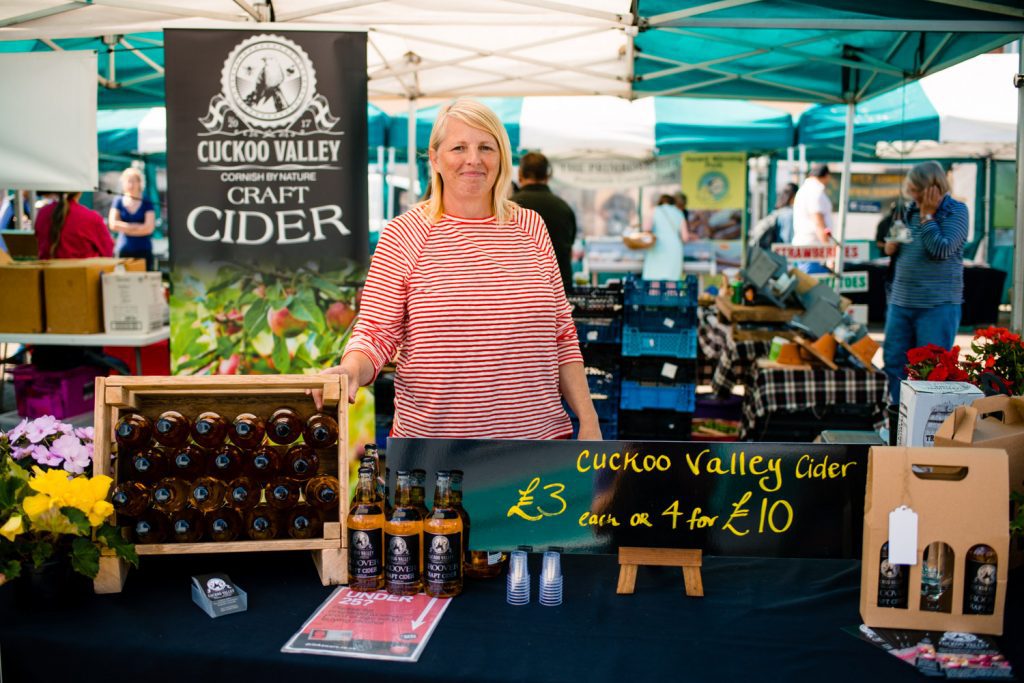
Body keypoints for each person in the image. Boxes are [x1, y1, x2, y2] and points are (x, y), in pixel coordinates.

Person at [314, 98, 600, 441]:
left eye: (486, 147)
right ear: (434, 158)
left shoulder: (530, 227)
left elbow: (562, 335)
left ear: (502, 158)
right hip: (434, 457)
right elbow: (376, 333)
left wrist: (588, 418)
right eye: (458, 147)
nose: (473, 159)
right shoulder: (404, 234)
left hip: (537, 448)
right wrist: (349, 370)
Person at [882, 161, 968, 405]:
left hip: (937, 306)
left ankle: (922, 427)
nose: (914, 196)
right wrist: (891, 245)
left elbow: (941, 249)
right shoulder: (909, 210)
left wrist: (928, 217)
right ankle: (896, 419)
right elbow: (896, 245)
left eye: (917, 191)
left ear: (932, 188)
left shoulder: (956, 211)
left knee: (931, 369)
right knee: (894, 363)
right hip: (901, 302)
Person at [511, 151, 577, 293]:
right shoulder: (564, 209)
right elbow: (569, 250)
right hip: (560, 291)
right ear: (548, 176)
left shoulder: (508, 208)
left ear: (520, 175)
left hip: (519, 292)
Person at [34, 192, 113, 259]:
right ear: (79, 192)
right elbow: (107, 253)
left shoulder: (42, 214)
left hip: (47, 275)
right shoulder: (91, 218)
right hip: (82, 275)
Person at [108, 167, 156, 269]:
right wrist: (135, 227)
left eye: (133, 181)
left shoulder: (147, 201)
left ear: (139, 183)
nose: (131, 185)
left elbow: (149, 228)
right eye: (128, 181)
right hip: (124, 250)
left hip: (144, 250)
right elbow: (113, 224)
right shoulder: (118, 200)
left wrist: (126, 228)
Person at [641, 194, 687, 281]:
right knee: (671, 283)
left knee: (653, 283)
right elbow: (685, 237)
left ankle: (654, 294)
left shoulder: (653, 210)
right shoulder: (679, 212)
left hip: (657, 248)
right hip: (675, 249)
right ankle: (671, 294)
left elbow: (646, 229)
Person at [792, 163, 834, 246]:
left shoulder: (803, 190)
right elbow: (818, 222)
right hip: (813, 247)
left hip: (804, 245)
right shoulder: (815, 191)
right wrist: (828, 248)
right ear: (826, 176)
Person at [748, 182, 798, 250]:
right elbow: (787, 242)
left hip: (770, 253)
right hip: (781, 256)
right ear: (795, 196)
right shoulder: (789, 214)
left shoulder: (777, 212)